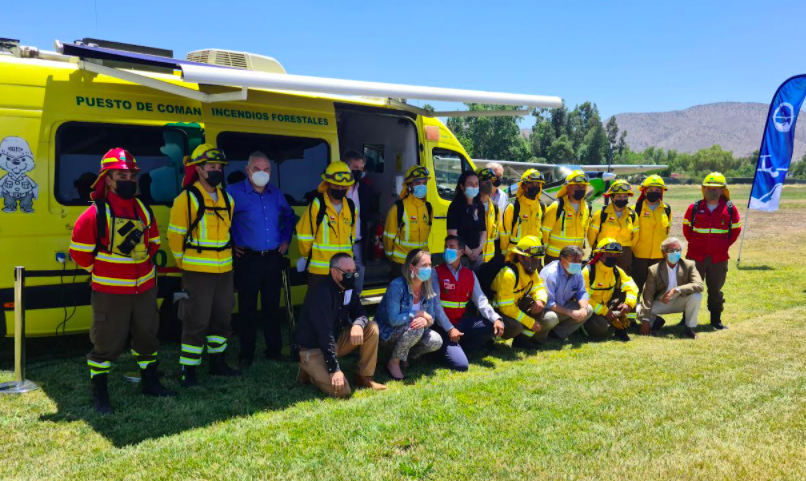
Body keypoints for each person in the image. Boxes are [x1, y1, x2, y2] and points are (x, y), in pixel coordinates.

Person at [69, 148, 175, 413]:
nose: (129, 180)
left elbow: (153, 243)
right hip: (110, 293)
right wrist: (105, 272)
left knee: (147, 336)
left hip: (145, 290)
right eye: (122, 176)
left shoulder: (143, 209)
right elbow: (79, 254)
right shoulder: (93, 214)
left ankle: (150, 382)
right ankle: (100, 393)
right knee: (106, 342)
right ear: (107, 179)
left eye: (132, 175)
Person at [168, 143, 241, 387]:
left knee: (222, 317)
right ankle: (188, 370)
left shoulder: (227, 199)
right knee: (195, 320)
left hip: (224, 270)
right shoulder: (186, 199)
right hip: (197, 272)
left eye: (219, 167)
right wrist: (186, 264)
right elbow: (175, 237)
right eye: (211, 166)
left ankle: (217, 363)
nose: (216, 170)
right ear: (198, 169)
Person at [226, 151, 296, 368]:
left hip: (273, 259)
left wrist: (286, 238)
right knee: (247, 309)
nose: (262, 173)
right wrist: (231, 243)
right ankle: (246, 354)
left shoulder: (275, 193)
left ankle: (274, 350)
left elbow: (289, 216)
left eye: (266, 169)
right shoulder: (233, 192)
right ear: (248, 170)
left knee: (272, 308)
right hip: (248, 260)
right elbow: (220, 220)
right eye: (257, 169)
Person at [294, 253, 387, 397]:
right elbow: (324, 334)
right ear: (333, 272)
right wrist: (334, 369)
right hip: (313, 349)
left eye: (354, 271)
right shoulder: (321, 293)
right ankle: (308, 369)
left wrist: (357, 324)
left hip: (333, 343)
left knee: (371, 327)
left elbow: (361, 312)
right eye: (347, 272)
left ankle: (364, 377)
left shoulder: (348, 288)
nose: (352, 275)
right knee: (342, 391)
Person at [432, 235, 505, 371]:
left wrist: (496, 319)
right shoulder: (435, 273)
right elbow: (436, 306)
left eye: (451, 247)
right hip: (443, 327)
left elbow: (482, 301)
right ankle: (444, 350)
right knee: (461, 366)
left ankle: (461, 348)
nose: (447, 250)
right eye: (445, 247)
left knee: (492, 326)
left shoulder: (470, 275)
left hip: (462, 323)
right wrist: (449, 329)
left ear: (461, 252)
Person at [682, 172, 741, 330]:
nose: (712, 191)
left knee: (715, 289)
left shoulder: (730, 209)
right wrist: (696, 244)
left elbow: (735, 230)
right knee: (691, 287)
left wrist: (723, 246)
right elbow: (687, 229)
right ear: (703, 189)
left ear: (722, 190)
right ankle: (686, 319)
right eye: (709, 188)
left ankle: (715, 320)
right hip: (696, 256)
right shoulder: (694, 208)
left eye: (716, 188)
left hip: (718, 258)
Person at [374, 249, 444, 380]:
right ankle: (393, 362)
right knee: (416, 329)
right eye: (424, 265)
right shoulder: (397, 286)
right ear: (412, 267)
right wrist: (418, 313)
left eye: (430, 265)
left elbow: (431, 318)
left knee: (436, 341)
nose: (428, 269)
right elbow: (393, 320)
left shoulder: (427, 287)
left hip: (411, 332)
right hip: (387, 332)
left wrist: (426, 321)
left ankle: (404, 355)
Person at [296, 161, 357, 289]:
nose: (340, 188)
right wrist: (312, 258)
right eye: (336, 185)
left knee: (343, 301)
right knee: (319, 302)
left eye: (343, 186)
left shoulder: (351, 207)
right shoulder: (317, 205)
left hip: (344, 272)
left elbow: (351, 237)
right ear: (327, 183)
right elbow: (304, 237)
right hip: (320, 272)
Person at [490, 236, 554, 350]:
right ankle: (490, 339)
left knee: (538, 307)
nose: (537, 262)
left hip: (513, 307)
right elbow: (506, 308)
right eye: (533, 258)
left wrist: (540, 300)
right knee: (516, 326)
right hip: (498, 312)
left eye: (538, 258)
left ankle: (521, 342)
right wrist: (530, 322)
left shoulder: (530, 270)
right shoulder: (508, 274)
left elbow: (539, 288)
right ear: (521, 257)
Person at [637, 237, 704, 339]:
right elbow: (648, 295)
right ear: (664, 253)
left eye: (678, 250)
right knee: (637, 309)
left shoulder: (689, 265)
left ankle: (689, 328)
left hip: (681, 300)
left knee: (696, 296)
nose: (676, 253)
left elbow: (699, 285)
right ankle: (656, 321)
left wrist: (676, 290)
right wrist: (645, 320)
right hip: (661, 302)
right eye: (672, 250)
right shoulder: (654, 269)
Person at [582, 238, 639, 342]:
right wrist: (606, 312)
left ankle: (621, 326)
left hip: (606, 305)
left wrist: (628, 304)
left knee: (628, 296)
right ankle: (581, 328)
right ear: (599, 255)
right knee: (602, 328)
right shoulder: (588, 272)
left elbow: (632, 287)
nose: (613, 257)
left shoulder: (617, 271)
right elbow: (584, 299)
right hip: (591, 309)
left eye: (616, 255)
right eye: (609, 254)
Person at [383, 166, 433, 279]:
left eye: (424, 183)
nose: (422, 186)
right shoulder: (398, 208)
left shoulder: (428, 208)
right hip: (401, 264)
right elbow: (388, 237)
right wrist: (392, 258)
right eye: (418, 183)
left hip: (421, 263)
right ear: (409, 185)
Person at [539, 245, 593, 341]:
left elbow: (582, 293)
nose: (577, 264)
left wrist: (583, 309)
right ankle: (537, 337)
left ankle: (556, 335)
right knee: (551, 318)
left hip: (562, 306)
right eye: (574, 260)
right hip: (546, 309)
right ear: (563, 260)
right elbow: (548, 303)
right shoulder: (550, 273)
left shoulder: (578, 272)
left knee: (588, 309)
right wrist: (571, 312)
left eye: (580, 261)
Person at [586, 180, 639, 274]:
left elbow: (636, 236)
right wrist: (597, 250)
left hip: (624, 254)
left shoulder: (633, 215)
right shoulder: (601, 214)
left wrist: (627, 250)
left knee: (623, 277)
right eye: (619, 196)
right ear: (612, 197)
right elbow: (591, 235)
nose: (622, 199)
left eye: (625, 196)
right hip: (604, 251)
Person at [631, 175, 672, 293]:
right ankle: (635, 304)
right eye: (651, 190)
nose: (654, 192)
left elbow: (667, 230)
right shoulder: (636, 209)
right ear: (644, 192)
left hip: (658, 255)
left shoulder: (666, 209)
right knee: (636, 286)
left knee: (655, 287)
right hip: (639, 255)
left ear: (661, 192)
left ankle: (652, 305)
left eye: (657, 190)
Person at [542, 170, 591, 264]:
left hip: (576, 257)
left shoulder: (586, 208)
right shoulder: (556, 206)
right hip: (556, 257)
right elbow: (545, 232)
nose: (581, 189)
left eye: (583, 186)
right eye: (577, 186)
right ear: (568, 187)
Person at [344, 150, 375, 295]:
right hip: (342, 243)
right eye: (355, 168)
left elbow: (366, 215)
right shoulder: (339, 189)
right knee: (343, 280)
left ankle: (355, 306)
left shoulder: (365, 189)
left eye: (361, 168)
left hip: (359, 243)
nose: (359, 172)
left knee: (358, 280)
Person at [447, 170, 487, 271]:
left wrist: (479, 248)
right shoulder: (455, 207)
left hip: (478, 256)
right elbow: (452, 234)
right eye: (470, 184)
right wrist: (469, 253)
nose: (474, 187)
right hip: (461, 257)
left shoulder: (479, 205)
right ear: (462, 186)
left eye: (476, 184)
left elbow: (483, 231)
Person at [501, 169, 546, 259]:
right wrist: (506, 256)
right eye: (531, 184)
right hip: (517, 254)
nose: (535, 186)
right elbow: (504, 234)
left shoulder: (542, 207)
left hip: (535, 255)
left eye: (538, 184)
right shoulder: (513, 207)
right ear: (524, 186)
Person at [476, 168, 502, 262]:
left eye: (491, 180)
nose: (489, 183)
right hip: (473, 260)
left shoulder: (495, 208)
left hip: (488, 262)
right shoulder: (471, 206)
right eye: (485, 180)